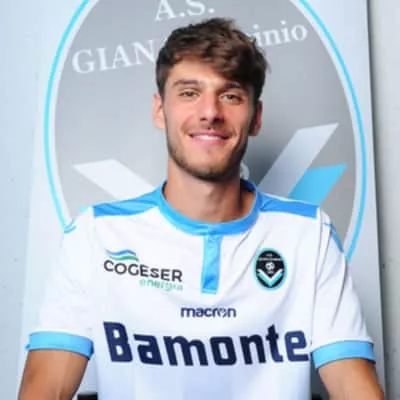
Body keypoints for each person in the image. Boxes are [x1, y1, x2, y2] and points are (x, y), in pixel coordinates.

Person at [19, 17, 383, 399]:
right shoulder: (95, 236)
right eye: (189, 93)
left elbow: (354, 388)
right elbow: (44, 390)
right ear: (160, 110)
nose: (210, 112)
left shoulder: (308, 235)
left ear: (256, 118)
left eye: (231, 96)